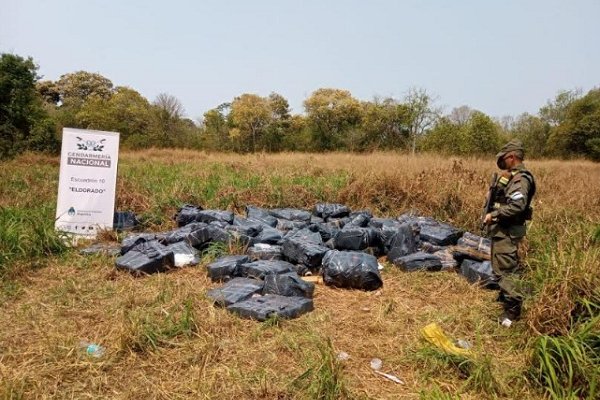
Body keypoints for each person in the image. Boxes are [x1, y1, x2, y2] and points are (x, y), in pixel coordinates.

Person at [483, 139, 536, 327]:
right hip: (502, 231)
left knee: (506, 271)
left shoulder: (521, 178)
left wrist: (494, 214)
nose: (502, 162)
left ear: (512, 157)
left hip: (508, 231)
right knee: (502, 267)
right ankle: (507, 298)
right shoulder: (511, 176)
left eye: (504, 158)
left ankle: (513, 312)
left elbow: (517, 205)